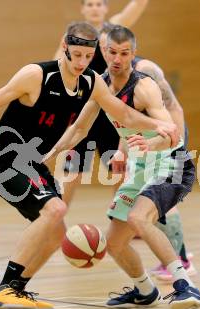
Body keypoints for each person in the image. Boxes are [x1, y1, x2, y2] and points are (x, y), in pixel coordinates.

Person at [0, 22, 179, 309]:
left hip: (31, 163)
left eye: (87, 58)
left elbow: (123, 113)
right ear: (65, 47)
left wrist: (159, 124)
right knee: (55, 210)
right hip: (4, 157)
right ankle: (5, 289)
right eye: (76, 55)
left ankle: (17, 290)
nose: (81, 63)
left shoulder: (90, 82)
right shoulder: (37, 75)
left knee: (55, 234)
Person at [48, 26, 200, 309]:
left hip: (171, 163)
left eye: (124, 53)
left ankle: (186, 286)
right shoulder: (100, 86)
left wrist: (150, 145)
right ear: (103, 53)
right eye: (112, 52)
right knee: (114, 243)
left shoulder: (144, 87)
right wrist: (50, 151)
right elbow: (80, 128)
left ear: (133, 54)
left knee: (138, 218)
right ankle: (145, 291)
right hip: (141, 168)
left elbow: (170, 132)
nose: (117, 59)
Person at [97, 24, 197, 281]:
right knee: (142, 202)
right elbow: (127, 124)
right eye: (107, 49)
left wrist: (172, 143)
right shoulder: (105, 80)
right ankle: (155, 277)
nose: (114, 56)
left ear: (129, 50)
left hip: (168, 138)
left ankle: (182, 261)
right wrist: (124, 150)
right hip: (143, 141)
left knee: (161, 200)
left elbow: (173, 108)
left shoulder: (145, 72)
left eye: (121, 51)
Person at [54, 0, 149, 204]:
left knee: (119, 168)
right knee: (72, 171)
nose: (94, 8)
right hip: (83, 113)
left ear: (106, 8)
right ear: (83, 9)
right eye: (90, 4)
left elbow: (138, 6)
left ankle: (121, 221)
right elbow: (57, 68)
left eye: (99, 3)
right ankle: (54, 221)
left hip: (109, 114)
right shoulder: (74, 34)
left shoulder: (114, 28)